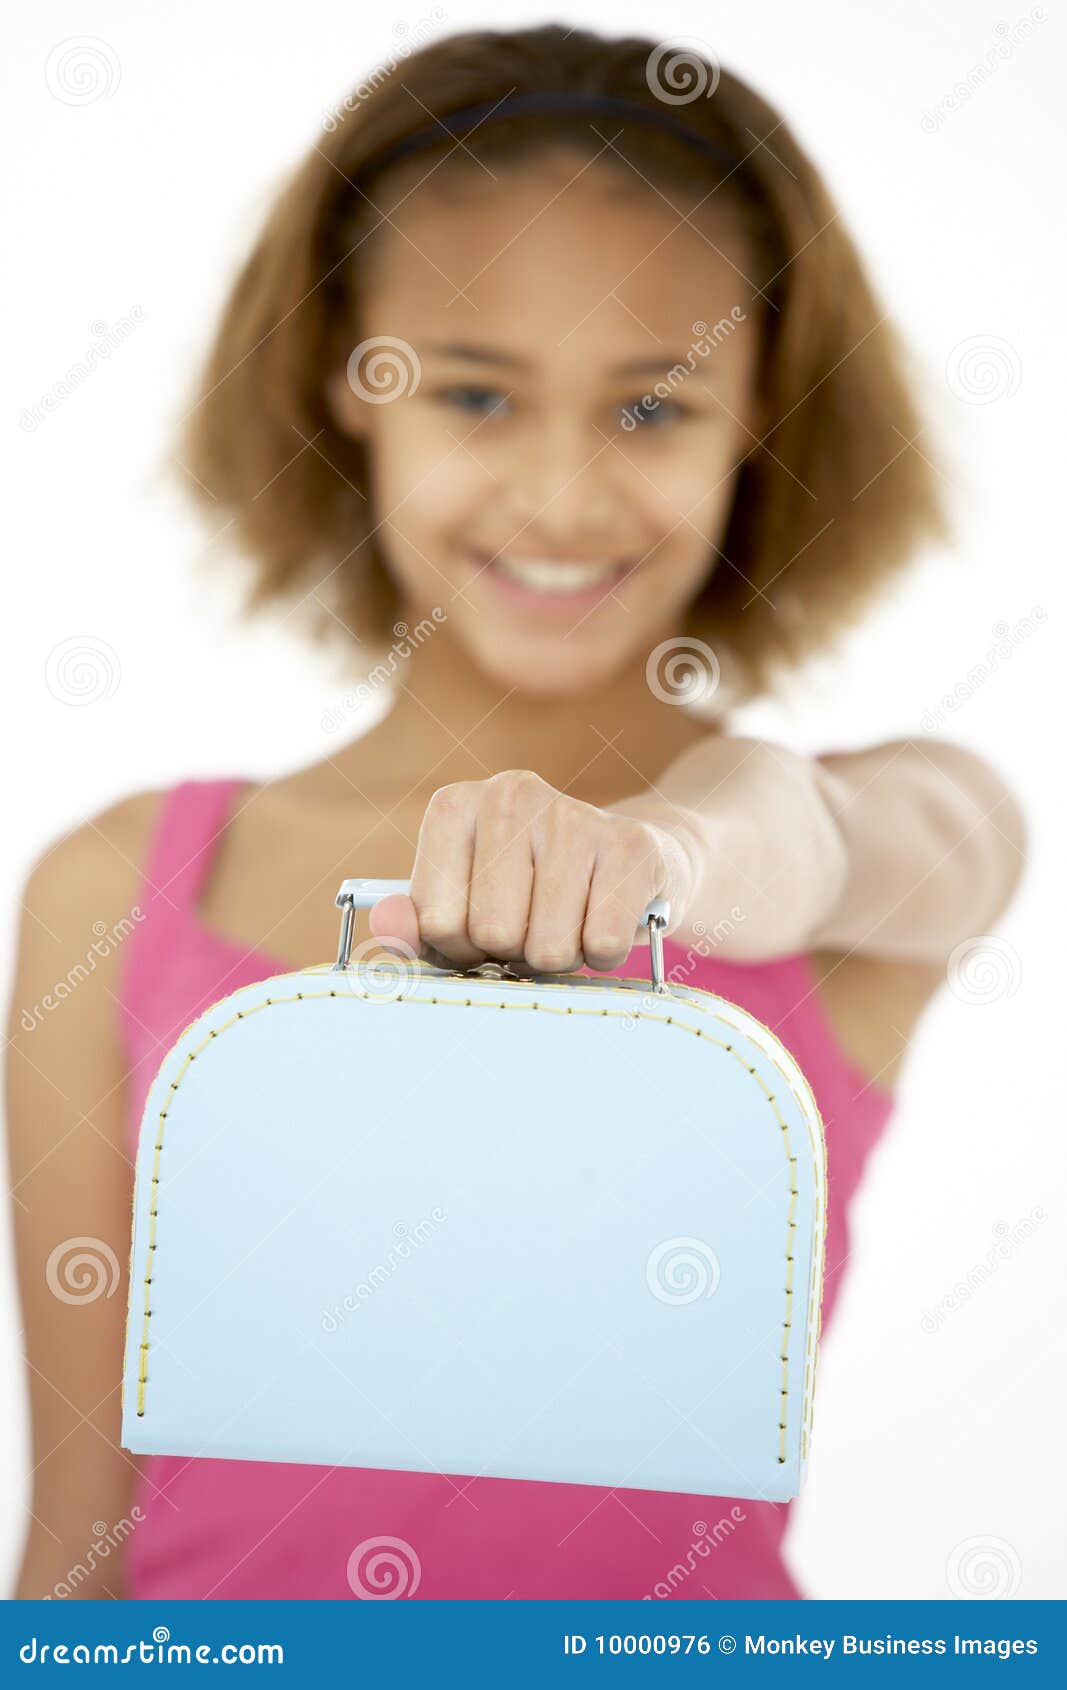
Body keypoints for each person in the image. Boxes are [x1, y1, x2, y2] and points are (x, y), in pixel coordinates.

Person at [6, 23, 1024, 1600]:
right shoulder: (115, 887)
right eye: (476, 395)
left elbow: (879, 837)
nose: (560, 497)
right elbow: (77, 1547)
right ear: (350, 379)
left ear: (762, 408)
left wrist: (667, 856)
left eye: (652, 407)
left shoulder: (873, 845)